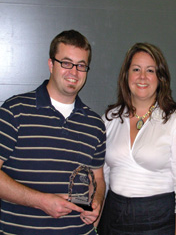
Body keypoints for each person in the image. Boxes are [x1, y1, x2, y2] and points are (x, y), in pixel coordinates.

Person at [0, 30, 106, 234]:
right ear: (51, 64)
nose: (74, 72)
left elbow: (98, 179)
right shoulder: (15, 111)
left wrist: (96, 203)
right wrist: (40, 201)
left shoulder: (94, 124)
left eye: (81, 65)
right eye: (66, 63)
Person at [97, 42, 176, 235]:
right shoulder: (109, 119)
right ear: (126, 76)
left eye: (150, 70)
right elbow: (104, 181)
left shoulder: (175, 121)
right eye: (136, 69)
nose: (142, 77)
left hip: (160, 222)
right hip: (114, 220)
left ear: (160, 78)